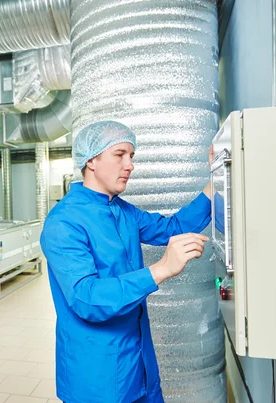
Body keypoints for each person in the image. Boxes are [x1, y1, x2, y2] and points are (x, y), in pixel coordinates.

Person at [40, 121, 215, 403]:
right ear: (91, 160)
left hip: (139, 362)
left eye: (131, 156)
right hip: (97, 376)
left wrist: (214, 181)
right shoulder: (64, 222)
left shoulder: (124, 211)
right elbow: (87, 298)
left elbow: (173, 228)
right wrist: (159, 270)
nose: (130, 165)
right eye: (120, 154)